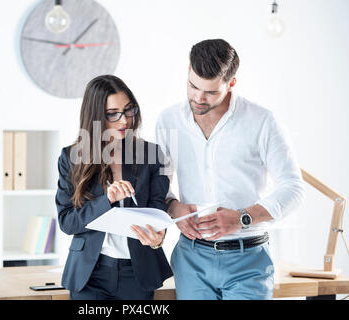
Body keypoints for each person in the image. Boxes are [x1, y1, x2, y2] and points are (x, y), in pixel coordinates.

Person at [156, 39, 305, 300]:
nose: (198, 98)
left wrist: (242, 217)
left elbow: (293, 188)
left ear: (231, 83)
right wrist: (173, 207)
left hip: (248, 261)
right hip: (191, 260)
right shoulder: (168, 120)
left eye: (211, 92)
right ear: (188, 70)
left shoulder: (262, 121)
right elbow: (158, 184)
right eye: (193, 86)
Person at [56, 74, 173, 300]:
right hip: (90, 274)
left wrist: (159, 237)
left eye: (129, 110)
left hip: (136, 272)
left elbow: (158, 210)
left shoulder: (150, 154)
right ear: (95, 117)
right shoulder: (72, 158)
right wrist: (106, 201)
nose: (124, 121)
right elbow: (67, 222)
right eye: (112, 114)